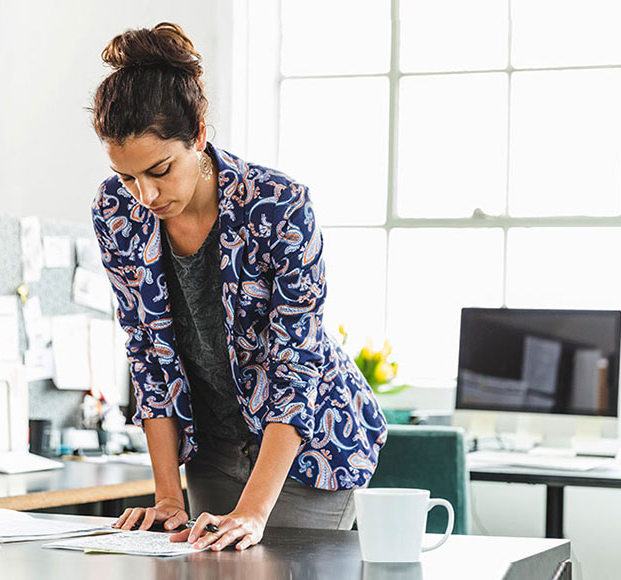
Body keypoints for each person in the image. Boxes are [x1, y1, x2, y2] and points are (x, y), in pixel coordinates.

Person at [90, 22, 388, 552]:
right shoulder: (116, 212)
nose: (145, 194)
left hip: (306, 450)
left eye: (160, 169)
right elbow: (148, 357)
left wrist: (253, 510)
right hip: (209, 447)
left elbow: (298, 361)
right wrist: (167, 499)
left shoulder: (278, 205)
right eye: (128, 176)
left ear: (199, 134)